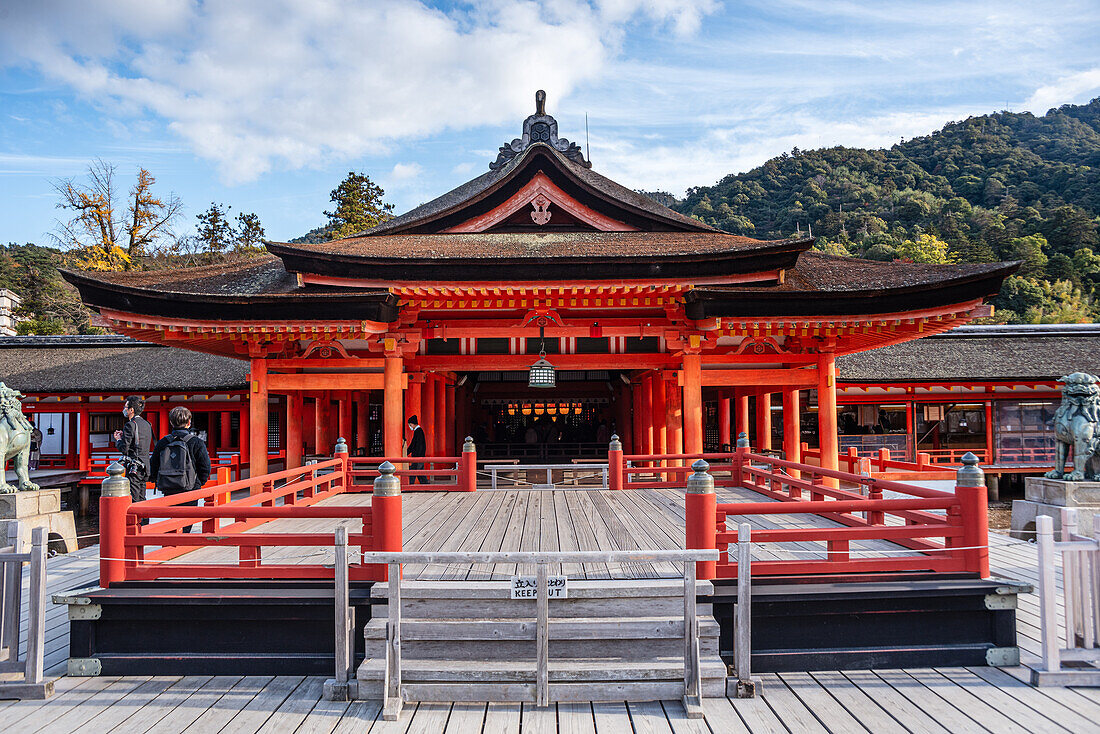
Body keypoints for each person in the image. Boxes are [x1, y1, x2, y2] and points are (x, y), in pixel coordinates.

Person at [149, 406, 211, 533]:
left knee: (174, 518)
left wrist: (156, 479)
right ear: (189, 423)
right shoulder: (196, 442)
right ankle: (181, 542)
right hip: (190, 487)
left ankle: (173, 544)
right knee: (187, 519)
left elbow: (154, 464)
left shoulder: (163, 442)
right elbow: (205, 466)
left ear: (171, 422)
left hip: (169, 486)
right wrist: (199, 483)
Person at [113, 395, 154, 503]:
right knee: (142, 497)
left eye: (126, 407)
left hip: (134, 466)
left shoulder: (130, 425)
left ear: (131, 410)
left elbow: (124, 449)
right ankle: (145, 519)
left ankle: (137, 520)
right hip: (145, 465)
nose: (124, 410)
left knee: (134, 498)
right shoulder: (147, 424)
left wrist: (118, 440)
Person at [407, 415, 428, 485]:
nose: (410, 426)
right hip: (419, 456)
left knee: (413, 472)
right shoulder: (419, 431)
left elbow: (414, 445)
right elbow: (414, 445)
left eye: (410, 425)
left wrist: (407, 452)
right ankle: (426, 486)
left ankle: (409, 487)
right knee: (420, 473)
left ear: (412, 424)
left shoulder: (418, 431)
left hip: (417, 457)